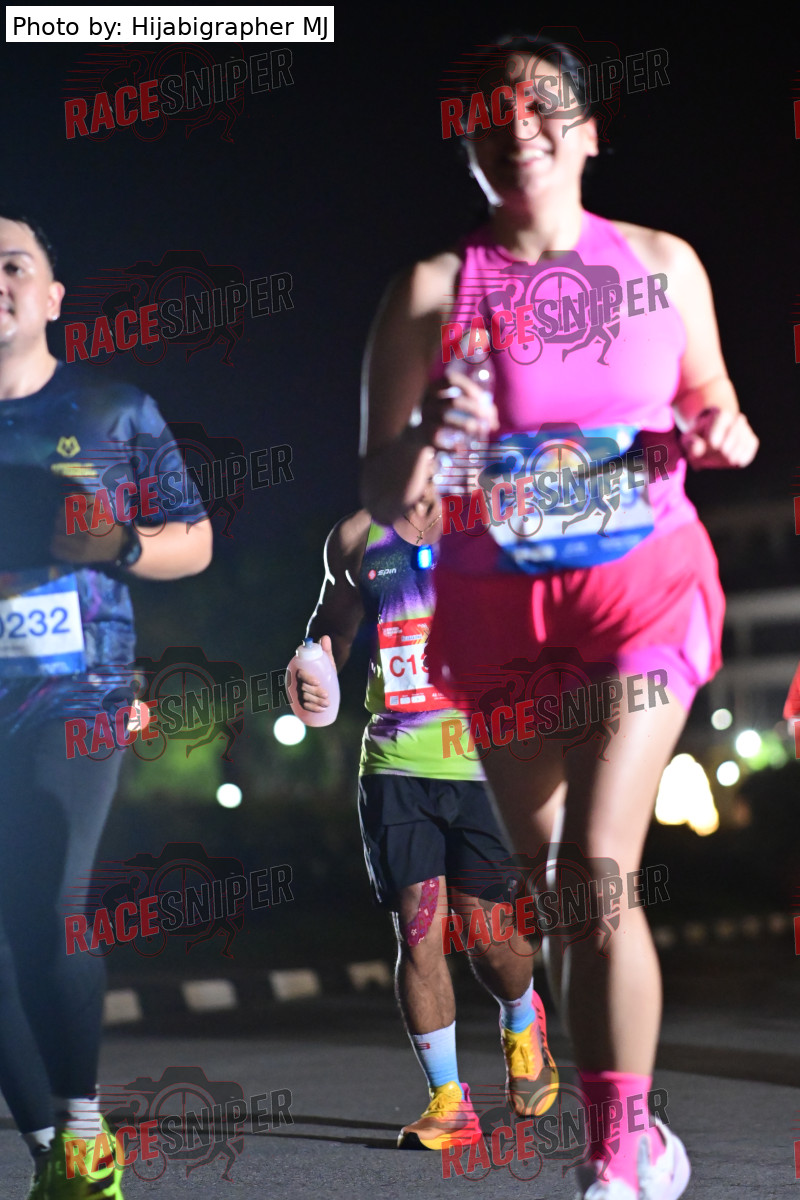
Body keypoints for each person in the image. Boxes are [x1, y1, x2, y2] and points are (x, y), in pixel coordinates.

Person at [359, 35, 758, 1200]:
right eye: (490, 114)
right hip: (496, 613)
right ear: (468, 146)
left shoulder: (659, 265)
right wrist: (431, 430)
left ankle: (615, 1152)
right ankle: (632, 1140)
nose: (515, 126)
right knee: (552, 889)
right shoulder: (429, 291)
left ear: (585, 130)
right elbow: (387, 493)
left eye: (540, 106)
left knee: (594, 865)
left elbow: (711, 401)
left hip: (640, 588)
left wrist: (718, 430)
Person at [0, 211, 212, 1200]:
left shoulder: (114, 409)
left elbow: (193, 540)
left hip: (76, 692)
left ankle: (85, 1129)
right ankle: (56, 1154)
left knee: (50, 901)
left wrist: (119, 545)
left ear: (52, 295)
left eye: (13, 264)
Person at [293, 477, 558, 1153]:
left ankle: (522, 1017)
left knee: (488, 931)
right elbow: (333, 625)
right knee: (418, 929)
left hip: (484, 760)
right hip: (395, 761)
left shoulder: (500, 515)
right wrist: (315, 664)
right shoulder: (358, 536)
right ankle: (448, 1102)